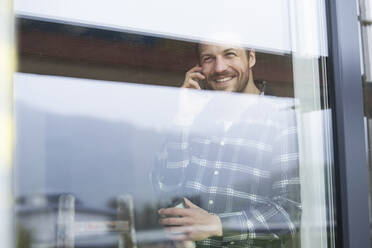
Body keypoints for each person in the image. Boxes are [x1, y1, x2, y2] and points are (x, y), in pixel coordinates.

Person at [154, 42, 301, 248]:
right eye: (209, 58)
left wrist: (218, 224)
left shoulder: (282, 118)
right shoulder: (194, 116)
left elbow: (289, 212)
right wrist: (183, 118)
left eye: (229, 54)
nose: (219, 68)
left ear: (251, 57)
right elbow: (164, 190)